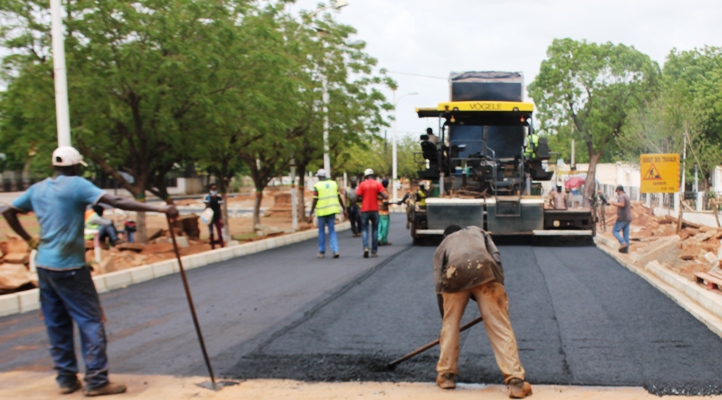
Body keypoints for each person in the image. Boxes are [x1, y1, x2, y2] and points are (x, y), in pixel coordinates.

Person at [2, 146, 178, 396]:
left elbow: (8, 211)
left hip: (44, 266)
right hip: (71, 267)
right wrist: (160, 209)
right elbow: (114, 201)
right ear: (75, 166)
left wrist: (29, 240)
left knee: (56, 322)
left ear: (54, 166)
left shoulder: (37, 188)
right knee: (90, 320)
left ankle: (66, 379)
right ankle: (96, 380)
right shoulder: (77, 185)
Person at [433, 224, 532, 399]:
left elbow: (439, 285)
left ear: (446, 236)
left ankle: (446, 376)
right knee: (500, 326)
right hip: (486, 270)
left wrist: (447, 318)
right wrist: (498, 296)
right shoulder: (478, 231)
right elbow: (496, 257)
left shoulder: (443, 245)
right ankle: (516, 382)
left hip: (454, 274)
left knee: (450, 326)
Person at [308, 169, 346, 258]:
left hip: (321, 212)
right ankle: (335, 250)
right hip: (332, 211)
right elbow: (338, 197)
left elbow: (315, 200)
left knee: (321, 231)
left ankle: (322, 251)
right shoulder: (333, 184)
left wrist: (311, 213)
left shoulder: (317, 186)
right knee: (332, 231)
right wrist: (344, 208)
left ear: (319, 177)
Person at [356, 168, 387, 258]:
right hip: (374, 210)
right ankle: (374, 251)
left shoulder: (362, 184)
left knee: (365, 229)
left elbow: (357, 197)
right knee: (375, 230)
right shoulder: (377, 184)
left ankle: (366, 247)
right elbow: (384, 195)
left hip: (365, 210)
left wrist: (361, 199)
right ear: (372, 175)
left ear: (365, 176)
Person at [610, 185, 632, 253]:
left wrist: (613, 203)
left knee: (615, 231)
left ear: (618, 190)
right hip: (628, 217)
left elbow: (622, 204)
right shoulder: (626, 196)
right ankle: (626, 250)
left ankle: (622, 242)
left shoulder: (621, 196)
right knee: (625, 234)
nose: (617, 193)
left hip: (622, 217)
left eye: (617, 191)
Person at [203, 183, 225, 249]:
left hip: (217, 216)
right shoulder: (207, 197)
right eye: (212, 189)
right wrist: (210, 200)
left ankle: (222, 245)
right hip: (210, 217)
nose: (214, 190)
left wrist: (221, 218)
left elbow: (219, 208)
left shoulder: (219, 198)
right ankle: (212, 246)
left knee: (219, 231)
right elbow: (206, 206)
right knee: (211, 231)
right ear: (210, 189)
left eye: (215, 189)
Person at [377, 179, 393, 246]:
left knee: (378, 226)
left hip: (377, 211)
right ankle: (384, 240)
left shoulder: (377, 191)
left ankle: (378, 238)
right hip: (384, 212)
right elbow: (385, 200)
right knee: (385, 226)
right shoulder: (385, 191)